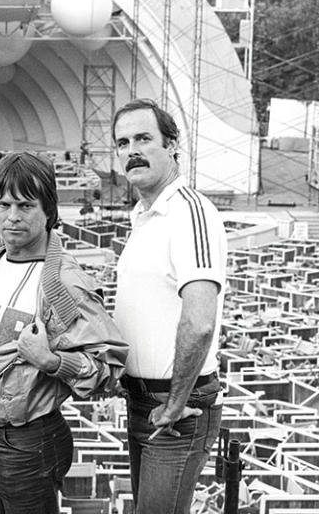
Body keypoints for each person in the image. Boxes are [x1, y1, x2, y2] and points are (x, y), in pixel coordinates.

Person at [0, 152, 127, 514]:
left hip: (28, 439)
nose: (12, 217)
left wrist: (51, 361)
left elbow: (107, 367)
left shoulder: (62, 282)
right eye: (4, 204)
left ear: (49, 211)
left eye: (26, 205)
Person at [111, 99, 227, 514]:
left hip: (176, 405)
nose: (131, 150)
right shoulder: (144, 216)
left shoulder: (189, 212)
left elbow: (199, 321)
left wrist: (175, 403)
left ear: (173, 145)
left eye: (144, 138)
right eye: (122, 142)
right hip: (143, 400)